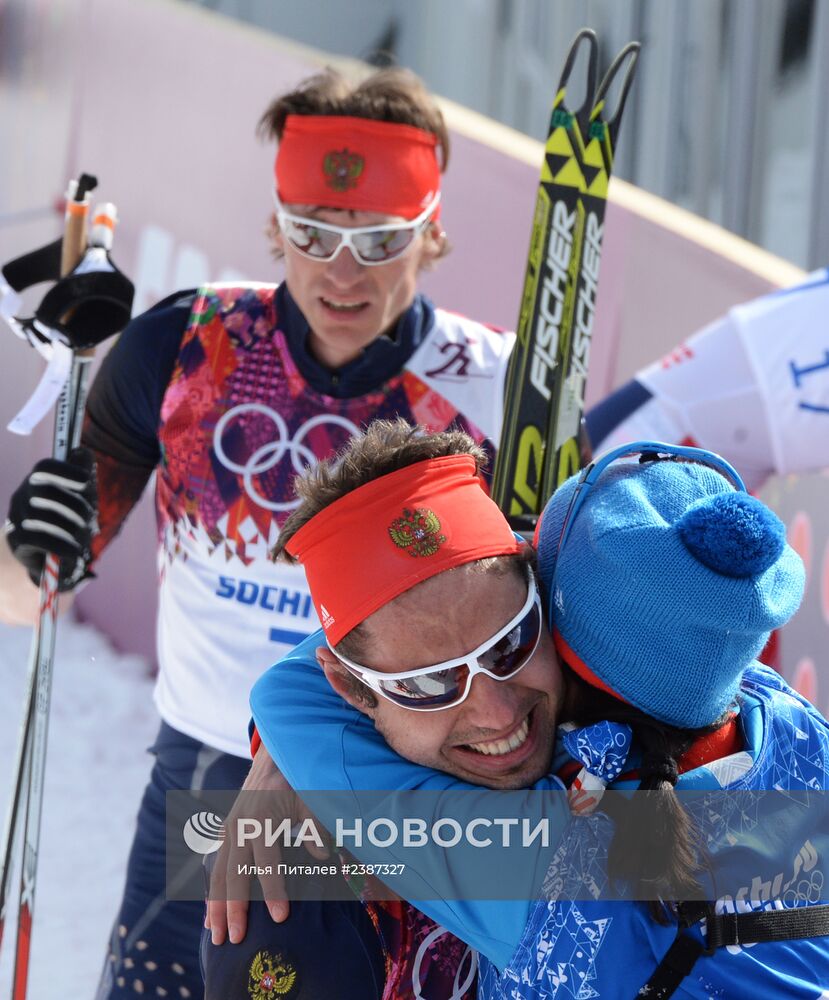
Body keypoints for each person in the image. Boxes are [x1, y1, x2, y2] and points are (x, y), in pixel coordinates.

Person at [1, 67, 513, 999]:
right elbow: (26, 596)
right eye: (314, 234)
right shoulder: (185, 344)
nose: (341, 271)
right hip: (204, 778)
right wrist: (31, 541)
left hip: (398, 789)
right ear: (277, 225)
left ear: (431, 233)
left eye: (379, 239)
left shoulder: (494, 387)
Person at [246, 419, 829, 998]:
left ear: (552, 607)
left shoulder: (538, 853)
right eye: (427, 683)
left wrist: (276, 752)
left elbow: (286, 699)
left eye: (510, 643)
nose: (497, 713)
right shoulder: (793, 722)